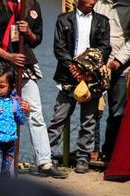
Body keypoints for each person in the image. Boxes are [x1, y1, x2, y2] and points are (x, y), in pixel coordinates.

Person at [0, 0, 66, 178]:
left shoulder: (32, 5)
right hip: (0, 65)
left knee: (34, 111)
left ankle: (44, 161)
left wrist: (27, 32)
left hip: (24, 64)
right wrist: (9, 56)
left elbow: (37, 39)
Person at [48, 0, 111, 173]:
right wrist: (72, 67)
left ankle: (83, 158)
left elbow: (105, 48)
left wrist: (88, 70)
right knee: (58, 117)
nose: (93, 1)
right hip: (67, 76)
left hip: (92, 78)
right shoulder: (63, 20)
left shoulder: (102, 21)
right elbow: (59, 47)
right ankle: (46, 157)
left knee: (88, 121)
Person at [94, 0, 130, 162]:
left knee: (117, 112)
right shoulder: (98, 3)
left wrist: (118, 60)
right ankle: (90, 150)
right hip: (95, 67)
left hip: (120, 67)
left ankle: (110, 153)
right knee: (92, 110)